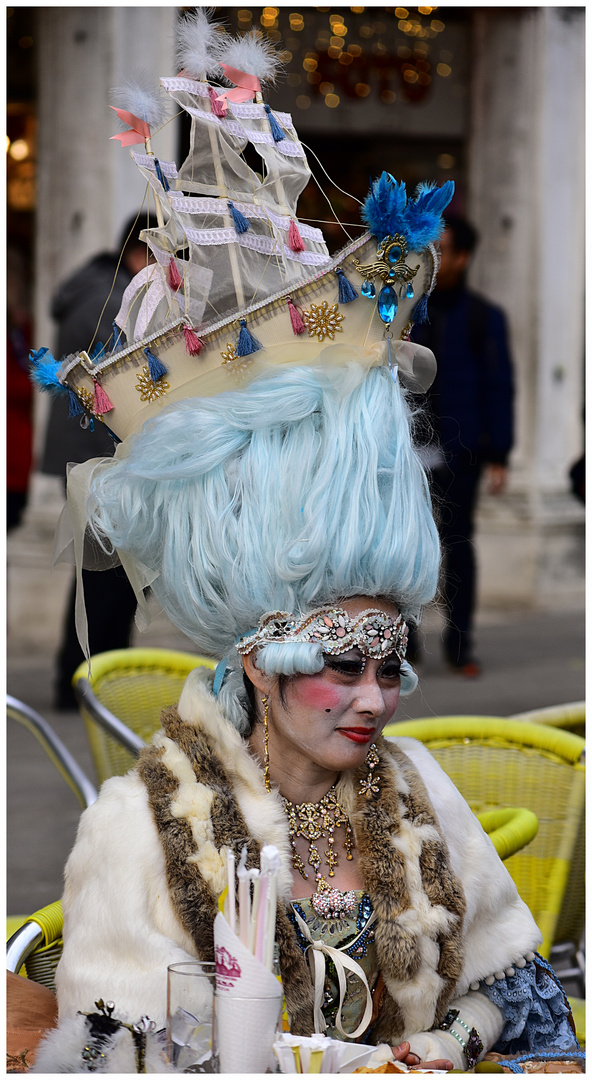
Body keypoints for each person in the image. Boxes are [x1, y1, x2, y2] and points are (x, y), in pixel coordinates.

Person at [31, 19, 578, 1072]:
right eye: (340, 664)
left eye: (390, 662)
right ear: (257, 656)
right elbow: (109, 1056)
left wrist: (451, 1041)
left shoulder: (416, 784)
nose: (378, 697)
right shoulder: (141, 824)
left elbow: (526, 999)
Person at [41, 213, 156, 708]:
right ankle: (91, 675)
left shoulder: (97, 285)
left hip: (95, 455)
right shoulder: (111, 296)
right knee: (110, 574)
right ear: (144, 251)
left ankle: (89, 673)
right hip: (102, 456)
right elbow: (134, 375)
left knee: (105, 573)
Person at [411, 216, 514, 676]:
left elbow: (499, 385)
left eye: (443, 249)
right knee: (405, 547)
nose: (432, 256)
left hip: (461, 451)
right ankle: (399, 644)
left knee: (459, 546)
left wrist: (500, 454)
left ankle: (459, 645)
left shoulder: (483, 317)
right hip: (409, 450)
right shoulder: (409, 310)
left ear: (462, 258)